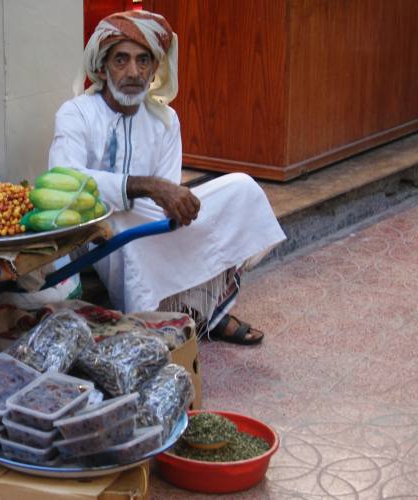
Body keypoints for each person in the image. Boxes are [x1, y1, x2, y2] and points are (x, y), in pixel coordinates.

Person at [47, 10, 286, 344]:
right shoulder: (77, 113)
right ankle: (170, 320)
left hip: (148, 221)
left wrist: (174, 200)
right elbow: (64, 178)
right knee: (122, 221)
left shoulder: (165, 120)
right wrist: (146, 186)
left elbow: (165, 198)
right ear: (102, 67)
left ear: (155, 68)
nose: (133, 72)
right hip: (96, 227)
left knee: (241, 189)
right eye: (121, 60)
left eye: (143, 60)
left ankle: (202, 306)